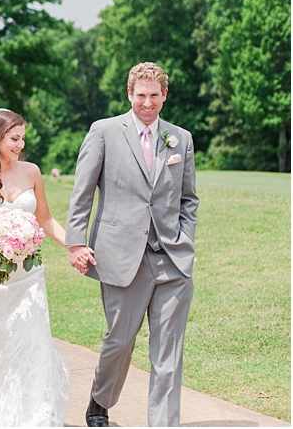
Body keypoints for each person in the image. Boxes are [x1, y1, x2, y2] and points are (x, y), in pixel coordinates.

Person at [66, 62, 198, 427]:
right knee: (120, 341)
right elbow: (83, 192)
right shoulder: (105, 131)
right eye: (141, 95)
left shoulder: (180, 138)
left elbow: (189, 199)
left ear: (164, 95)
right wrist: (76, 242)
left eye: (154, 95)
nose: (147, 103)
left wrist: (184, 238)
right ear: (130, 94)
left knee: (168, 353)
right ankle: (99, 401)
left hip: (172, 260)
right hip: (121, 256)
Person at [0, 108, 71, 426]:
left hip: (28, 277)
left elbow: (44, 219)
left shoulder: (31, 172)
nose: (20, 145)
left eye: (22, 139)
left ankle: (36, 416)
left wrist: (72, 244)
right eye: (14, 138)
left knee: (32, 343)